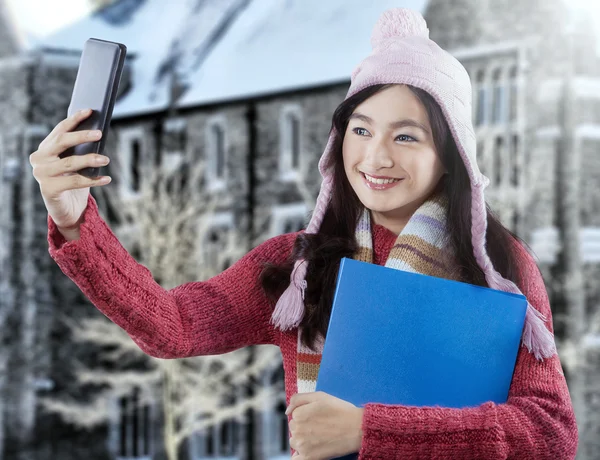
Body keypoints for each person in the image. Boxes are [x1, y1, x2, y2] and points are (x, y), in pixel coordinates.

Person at [31, 7, 578, 459]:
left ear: (451, 155)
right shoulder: (298, 268)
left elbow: (551, 434)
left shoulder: (497, 265)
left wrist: (371, 431)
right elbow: (172, 325)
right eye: (360, 130)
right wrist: (74, 219)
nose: (376, 156)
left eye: (406, 137)